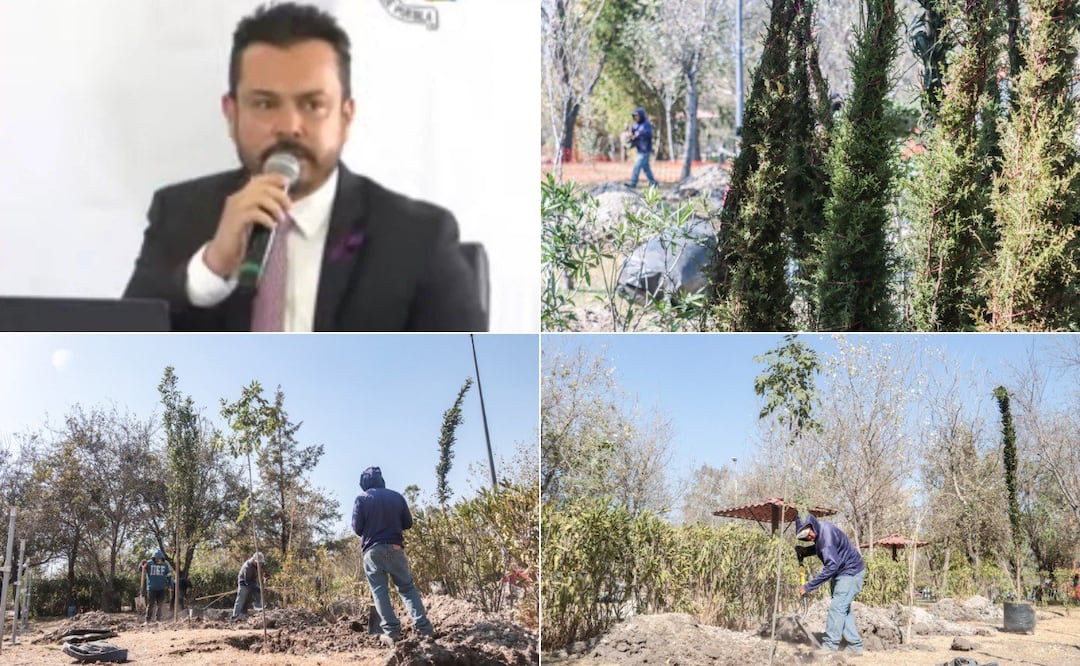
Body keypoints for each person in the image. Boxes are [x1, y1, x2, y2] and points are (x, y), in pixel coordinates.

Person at [123, 2, 485, 332]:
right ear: (231, 115)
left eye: (312, 105)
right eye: (265, 104)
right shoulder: (180, 215)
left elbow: (467, 373)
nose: (289, 126)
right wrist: (212, 267)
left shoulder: (417, 238)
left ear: (345, 117)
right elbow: (124, 358)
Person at [351, 466, 434, 645]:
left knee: (379, 592)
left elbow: (357, 528)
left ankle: (392, 632)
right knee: (407, 588)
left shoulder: (362, 499)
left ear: (363, 483)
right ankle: (425, 629)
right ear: (381, 480)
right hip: (396, 548)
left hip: (373, 551)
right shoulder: (397, 497)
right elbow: (408, 523)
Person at [795, 514, 866, 655]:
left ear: (812, 525)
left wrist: (809, 586)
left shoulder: (826, 536)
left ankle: (829, 647)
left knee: (837, 608)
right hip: (842, 572)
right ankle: (855, 646)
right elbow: (822, 547)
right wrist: (805, 551)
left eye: (808, 533)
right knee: (842, 609)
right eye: (805, 537)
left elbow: (832, 565)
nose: (809, 537)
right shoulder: (820, 530)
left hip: (850, 572)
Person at [624, 107, 659, 188]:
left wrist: (639, 134)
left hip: (645, 150)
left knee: (637, 165)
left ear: (641, 115)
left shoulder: (646, 124)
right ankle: (653, 183)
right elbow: (633, 136)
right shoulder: (635, 125)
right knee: (646, 168)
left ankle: (633, 182)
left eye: (637, 115)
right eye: (634, 116)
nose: (636, 117)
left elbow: (648, 134)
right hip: (639, 150)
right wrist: (630, 138)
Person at [231, 552, 266, 621]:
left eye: (260, 563)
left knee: (256, 595)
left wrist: (266, 573)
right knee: (241, 599)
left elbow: (263, 568)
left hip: (252, 581)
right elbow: (247, 581)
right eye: (258, 563)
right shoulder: (248, 567)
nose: (259, 564)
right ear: (254, 560)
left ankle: (257, 608)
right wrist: (255, 588)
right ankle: (234, 617)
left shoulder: (260, 564)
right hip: (244, 582)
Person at [141, 550, 173, 624]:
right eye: (156, 558)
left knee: (160, 605)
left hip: (161, 588)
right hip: (151, 588)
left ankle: (158, 620)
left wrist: (171, 584)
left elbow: (168, 576)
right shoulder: (149, 563)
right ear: (154, 558)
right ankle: (147, 620)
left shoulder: (165, 565)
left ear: (162, 558)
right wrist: (142, 564)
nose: (158, 560)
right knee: (150, 605)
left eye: (159, 559)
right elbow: (140, 569)